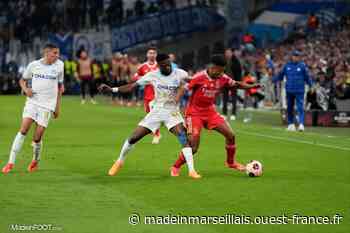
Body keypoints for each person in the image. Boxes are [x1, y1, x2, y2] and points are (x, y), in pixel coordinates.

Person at [99, 54, 201, 179]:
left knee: (183, 138)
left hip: (172, 112)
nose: (168, 67)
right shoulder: (152, 75)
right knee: (133, 138)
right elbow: (132, 86)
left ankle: (192, 171)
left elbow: (194, 81)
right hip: (157, 111)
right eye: (165, 65)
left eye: (169, 64)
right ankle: (119, 161)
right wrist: (112, 89)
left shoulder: (180, 73)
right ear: (159, 66)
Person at [170, 55, 260, 177]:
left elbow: (236, 84)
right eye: (220, 70)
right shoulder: (199, 77)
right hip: (194, 113)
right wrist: (174, 103)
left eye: (223, 70)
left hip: (210, 112)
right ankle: (176, 166)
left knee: (230, 135)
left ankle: (231, 162)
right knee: (194, 147)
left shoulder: (223, 77)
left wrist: (250, 87)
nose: (221, 73)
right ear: (212, 68)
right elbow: (184, 88)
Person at [2, 43, 64, 174]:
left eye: (58, 53)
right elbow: (22, 80)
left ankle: (35, 160)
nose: (57, 56)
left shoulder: (60, 65)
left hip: (47, 106)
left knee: (37, 137)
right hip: (33, 102)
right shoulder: (34, 65)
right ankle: (10, 163)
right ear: (46, 53)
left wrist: (57, 107)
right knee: (23, 129)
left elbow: (60, 88)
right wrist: (25, 90)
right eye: (55, 53)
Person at [273, 50, 313, 132]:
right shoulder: (287, 66)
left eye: (297, 56)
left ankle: (301, 124)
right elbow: (280, 75)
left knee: (300, 107)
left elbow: (307, 77)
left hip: (299, 90)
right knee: (289, 108)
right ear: (292, 57)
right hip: (289, 90)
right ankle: (291, 124)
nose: (296, 57)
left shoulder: (302, 66)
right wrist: (274, 79)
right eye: (295, 56)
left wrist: (311, 85)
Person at [132, 47, 161, 144]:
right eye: (150, 53)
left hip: (158, 95)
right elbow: (136, 76)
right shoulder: (142, 66)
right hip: (147, 95)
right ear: (147, 55)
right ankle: (153, 130)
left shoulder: (160, 65)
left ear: (156, 55)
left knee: (153, 115)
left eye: (153, 53)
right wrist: (144, 79)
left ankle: (157, 134)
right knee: (149, 114)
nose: (152, 55)